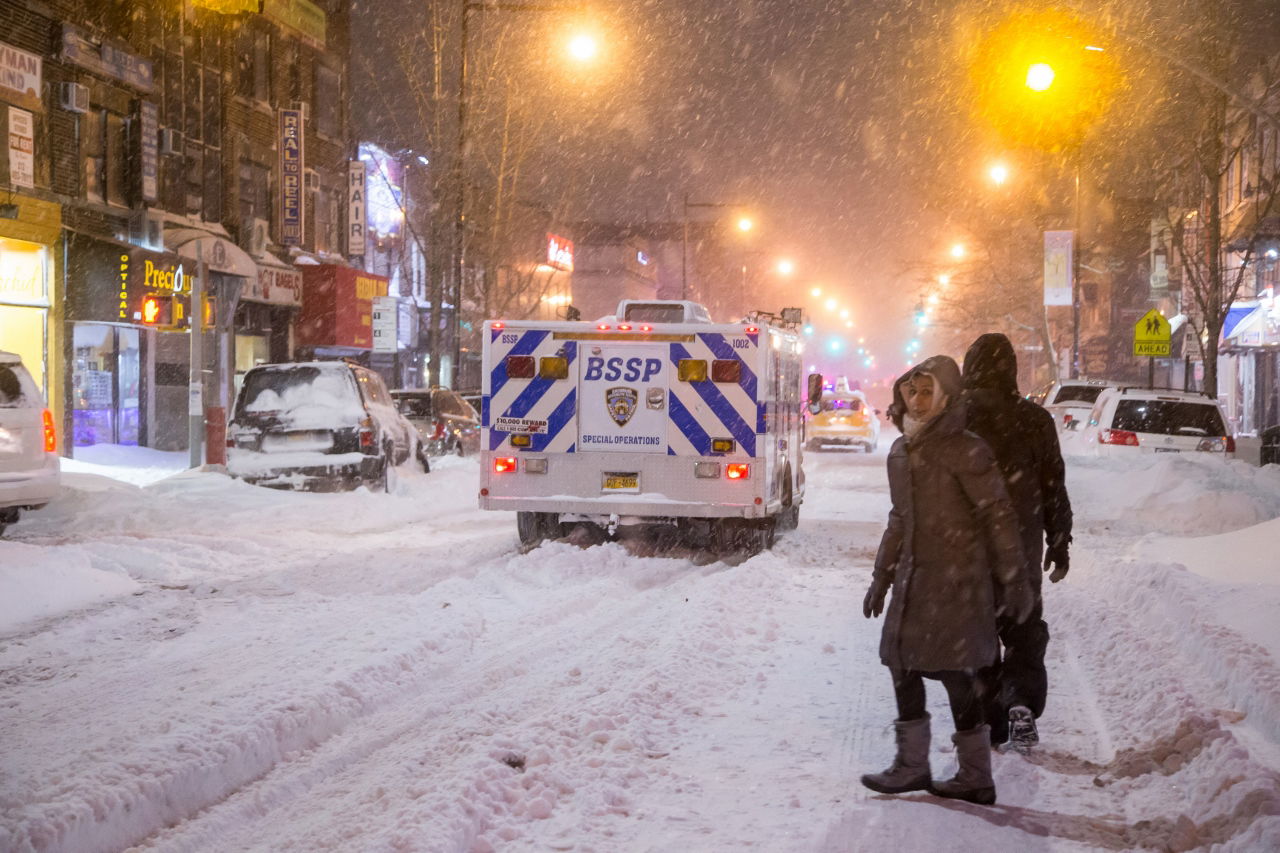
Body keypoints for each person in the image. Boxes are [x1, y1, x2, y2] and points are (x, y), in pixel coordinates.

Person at [861, 355, 1032, 806]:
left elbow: (998, 515)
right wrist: (882, 574)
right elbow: (900, 517)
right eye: (911, 392)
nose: (917, 401)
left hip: (957, 579)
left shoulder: (966, 448)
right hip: (915, 579)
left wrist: (1014, 582)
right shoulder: (902, 450)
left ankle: (976, 775)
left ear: (946, 397)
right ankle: (912, 765)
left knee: (957, 674)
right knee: (901, 664)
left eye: (926, 392)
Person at [961, 333, 1073, 749]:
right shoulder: (1035, 420)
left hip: (966, 549)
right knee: (1024, 628)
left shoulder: (956, 418)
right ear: (1011, 369)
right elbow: (1053, 486)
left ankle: (990, 715)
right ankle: (1021, 700)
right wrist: (1059, 541)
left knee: (977, 633)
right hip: (1020, 547)